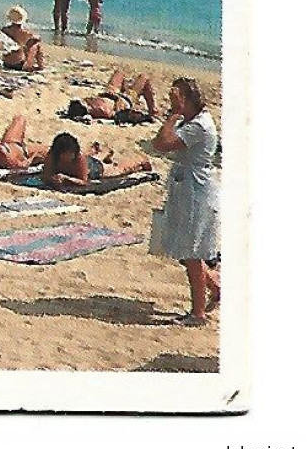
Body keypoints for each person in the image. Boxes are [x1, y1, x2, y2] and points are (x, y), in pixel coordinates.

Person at [150, 77, 221, 325]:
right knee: (186, 249)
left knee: (191, 252)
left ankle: (198, 313)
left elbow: (162, 144)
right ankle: (215, 286)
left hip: (196, 190)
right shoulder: (191, 121)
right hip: (186, 186)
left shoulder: (198, 126)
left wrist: (172, 116)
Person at [41, 132, 152, 190]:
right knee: (94, 159)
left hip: (93, 169)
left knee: (117, 170)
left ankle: (140, 162)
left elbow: (84, 181)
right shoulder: (52, 156)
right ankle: (102, 152)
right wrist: (53, 179)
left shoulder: (79, 158)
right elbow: (45, 176)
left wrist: (67, 179)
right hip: (87, 162)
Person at [65, 68, 158, 123]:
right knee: (144, 78)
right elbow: (118, 113)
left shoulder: (89, 104)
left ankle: (126, 88)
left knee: (119, 72)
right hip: (124, 99)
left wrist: (107, 94)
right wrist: (117, 98)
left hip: (111, 94)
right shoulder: (101, 110)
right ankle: (153, 110)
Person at [1, 5, 45, 71]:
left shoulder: (4, 30)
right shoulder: (25, 33)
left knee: (25, 45)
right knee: (36, 44)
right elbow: (37, 38)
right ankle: (41, 66)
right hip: (19, 64)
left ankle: (37, 66)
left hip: (6, 63)